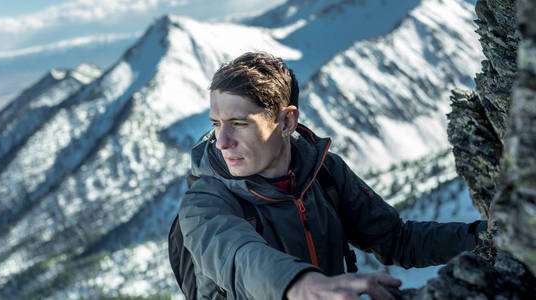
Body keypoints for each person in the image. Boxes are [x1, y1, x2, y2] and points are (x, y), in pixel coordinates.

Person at [178, 52, 487, 299]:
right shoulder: (204, 202)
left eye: (238, 123)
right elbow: (239, 256)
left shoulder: (324, 173)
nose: (222, 141)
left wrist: (484, 237)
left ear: (286, 122)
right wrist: (300, 285)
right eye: (216, 123)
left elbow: (396, 240)